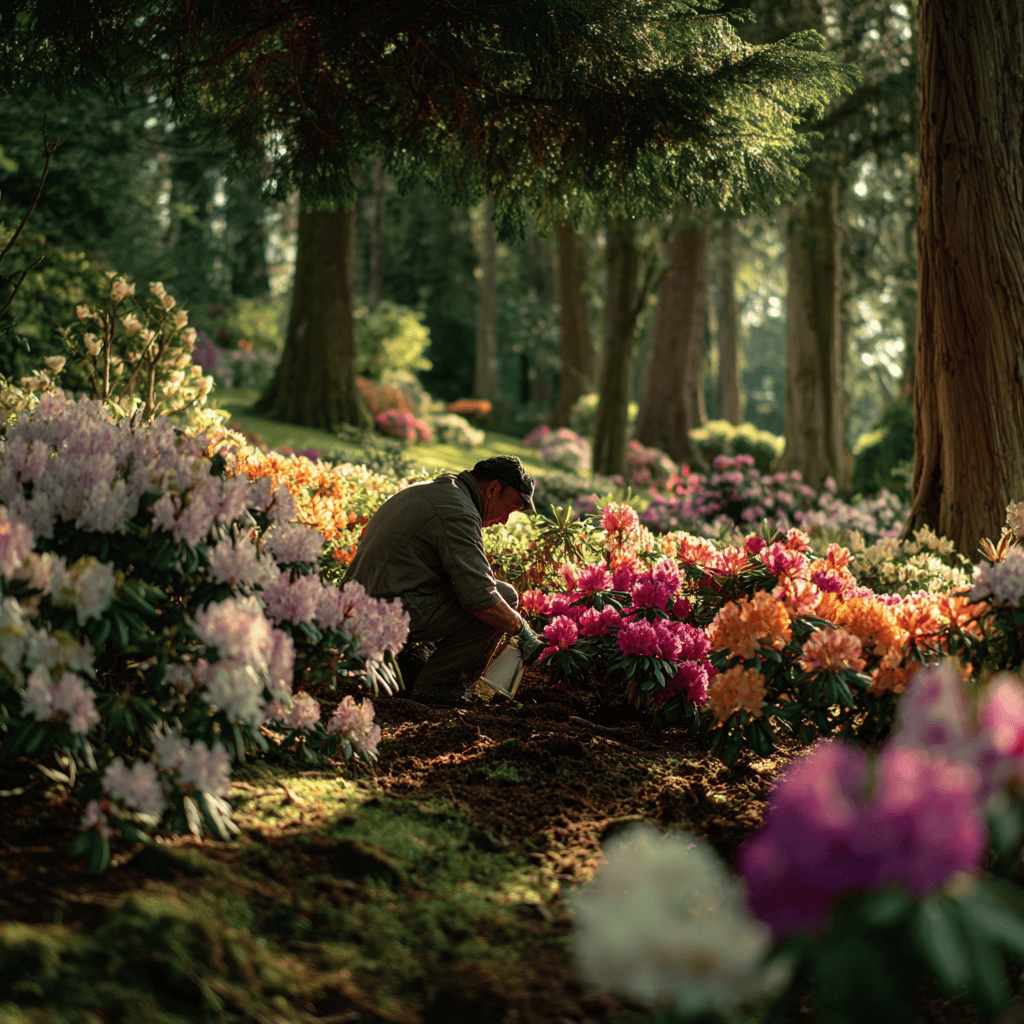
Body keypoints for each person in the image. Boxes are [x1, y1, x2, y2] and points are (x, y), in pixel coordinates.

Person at [345, 455, 545, 706]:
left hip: (353, 607)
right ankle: (436, 693)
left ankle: (407, 662)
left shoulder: (437, 491)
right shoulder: (458, 512)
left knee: (486, 595)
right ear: (493, 489)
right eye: (511, 508)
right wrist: (522, 629)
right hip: (381, 615)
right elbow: (481, 598)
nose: (505, 520)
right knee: (503, 598)